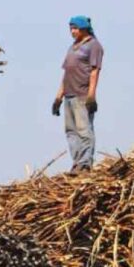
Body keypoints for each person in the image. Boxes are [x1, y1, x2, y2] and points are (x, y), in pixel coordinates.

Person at [52, 16, 104, 173]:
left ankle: (85, 164)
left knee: (84, 130)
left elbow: (95, 71)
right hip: (68, 94)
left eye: (75, 28)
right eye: (71, 29)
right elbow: (66, 73)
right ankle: (77, 163)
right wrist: (58, 97)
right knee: (71, 131)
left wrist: (91, 95)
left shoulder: (94, 46)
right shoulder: (73, 47)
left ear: (84, 29)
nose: (72, 32)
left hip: (82, 94)